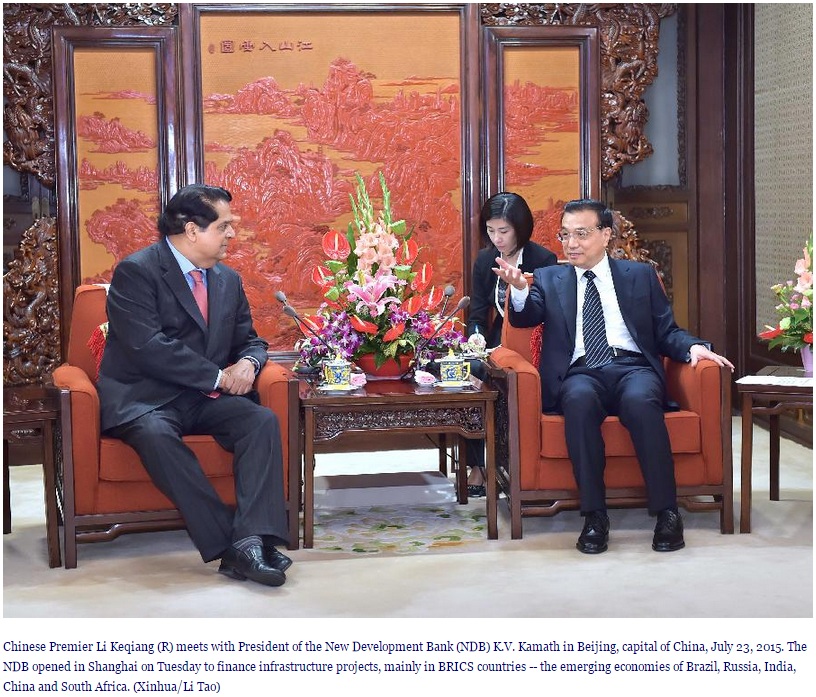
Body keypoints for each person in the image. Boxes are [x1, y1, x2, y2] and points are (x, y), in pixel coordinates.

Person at [494, 198, 734, 554]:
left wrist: (693, 348)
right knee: (577, 401)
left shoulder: (639, 276)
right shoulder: (548, 277)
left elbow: (666, 331)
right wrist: (518, 289)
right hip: (580, 372)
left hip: (632, 368)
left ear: (606, 235)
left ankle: (667, 513)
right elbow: (527, 316)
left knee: (641, 402)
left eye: (581, 234)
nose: (571, 243)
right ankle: (594, 516)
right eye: (565, 235)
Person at [97, 184, 292, 586]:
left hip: (203, 398)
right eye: (224, 226)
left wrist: (249, 363)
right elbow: (148, 347)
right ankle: (235, 547)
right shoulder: (137, 271)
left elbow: (250, 340)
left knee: (260, 421)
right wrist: (219, 377)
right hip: (145, 398)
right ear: (191, 230)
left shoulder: (227, 280)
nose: (232, 234)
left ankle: (253, 536)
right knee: (155, 434)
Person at [465, 192, 558, 496]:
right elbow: (478, 313)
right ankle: (477, 465)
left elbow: (546, 313)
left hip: (533, 341)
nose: (497, 238)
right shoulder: (484, 260)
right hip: (496, 342)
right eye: (491, 230)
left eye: (503, 231)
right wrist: (476, 335)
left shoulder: (543, 259)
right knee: (472, 372)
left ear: (520, 228)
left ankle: (512, 464)